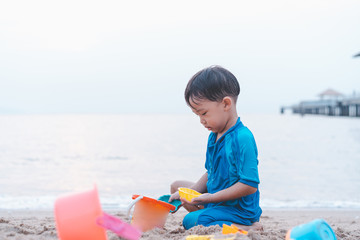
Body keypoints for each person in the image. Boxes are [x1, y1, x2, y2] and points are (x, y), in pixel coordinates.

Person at [169, 65, 262, 230]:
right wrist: (190, 193)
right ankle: (211, 213)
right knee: (176, 186)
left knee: (190, 221)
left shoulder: (243, 137)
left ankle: (249, 227)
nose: (201, 121)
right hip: (216, 201)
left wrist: (209, 198)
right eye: (197, 115)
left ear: (226, 104)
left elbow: (249, 185)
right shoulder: (214, 136)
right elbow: (211, 171)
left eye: (204, 113)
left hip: (238, 210)